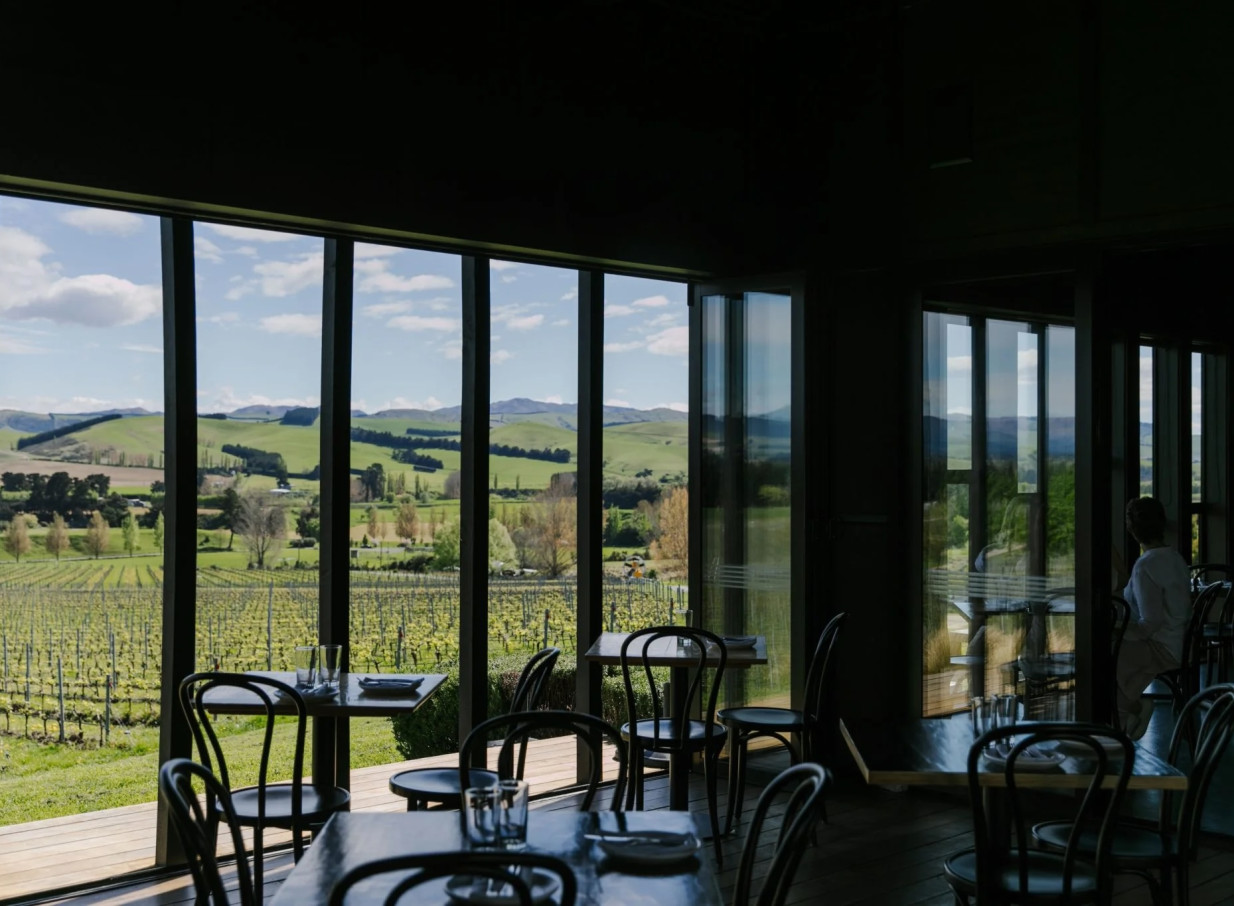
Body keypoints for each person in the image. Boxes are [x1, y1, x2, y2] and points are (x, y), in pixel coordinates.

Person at [1116, 496, 1191, 740]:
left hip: (1161, 648)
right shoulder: (1174, 558)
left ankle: (1123, 720)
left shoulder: (1145, 566)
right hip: (1180, 644)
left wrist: (1120, 632)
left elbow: (1151, 623)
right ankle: (1128, 711)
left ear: (1131, 529)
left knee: (1103, 656)